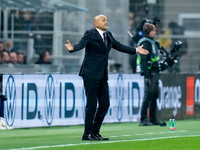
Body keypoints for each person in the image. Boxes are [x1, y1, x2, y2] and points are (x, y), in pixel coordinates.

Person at [65, 14, 149, 141]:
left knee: (105, 104)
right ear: (96, 23)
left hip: (102, 75)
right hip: (90, 74)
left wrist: (135, 50)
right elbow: (81, 43)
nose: (106, 22)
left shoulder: (108, 35)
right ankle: (87, 134)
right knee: (92, 104)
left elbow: (119, 46)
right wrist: (72, 48)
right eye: (103, 20)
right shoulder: (90, 33)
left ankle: (95, 132)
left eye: (107, 20)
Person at [137, 23, 166, 127]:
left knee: (154, 95)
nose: (155, 32)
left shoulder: (151, 41)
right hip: (149, 72)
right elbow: (143, 61)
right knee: (148, 94)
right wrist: (147, 76)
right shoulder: (145, 42)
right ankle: (143, 119)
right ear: (147, 32)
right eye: (153, 30)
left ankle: (153, 118)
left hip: (154, 71)